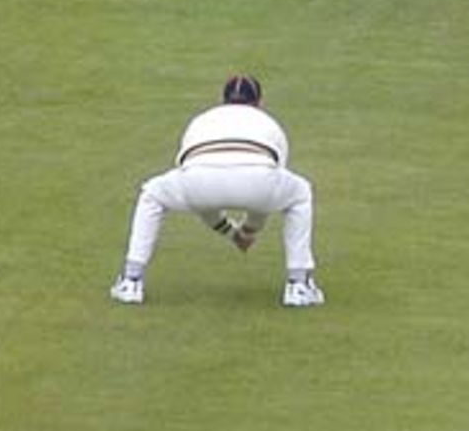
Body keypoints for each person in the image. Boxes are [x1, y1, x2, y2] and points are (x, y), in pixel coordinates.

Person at [110, 74, 323, 308]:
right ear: (259, 102)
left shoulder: (202, 120)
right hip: (256, 181)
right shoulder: (269, 123)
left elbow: (199, 189)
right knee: (300, 193)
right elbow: (266, 191)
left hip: (198, 179)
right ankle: (299, 285)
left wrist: (234, 234)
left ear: (222, 100)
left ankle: (131, 281)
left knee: (152, 194)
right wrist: (247, 231)